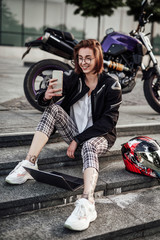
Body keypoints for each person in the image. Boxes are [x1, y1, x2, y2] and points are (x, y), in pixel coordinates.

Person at [5, 39, 122, 231]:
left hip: (100, 137)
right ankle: (29, 162)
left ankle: (88, 202)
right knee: (53, 110)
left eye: (88, 58)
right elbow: (44, 100)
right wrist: (46, 95)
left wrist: (78, 140)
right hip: (74, 132)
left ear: (98, 58)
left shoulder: (112, 85)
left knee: (90, 146)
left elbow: (108, 122)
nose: (83, 62)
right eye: (80, 58)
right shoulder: (73, 77)